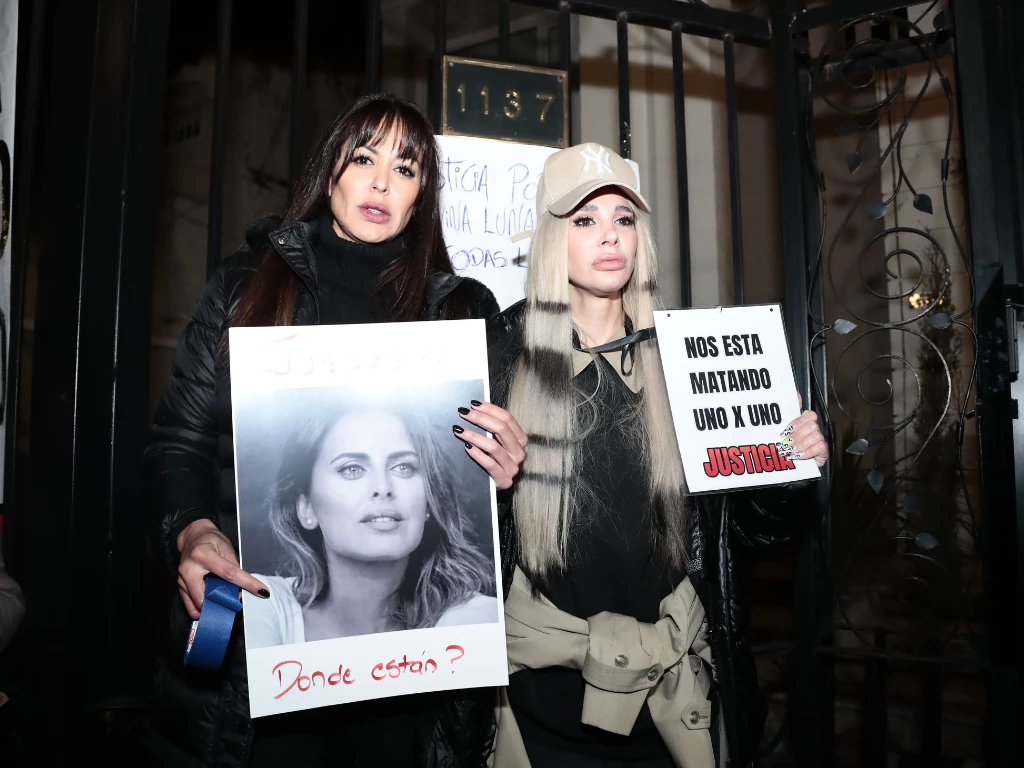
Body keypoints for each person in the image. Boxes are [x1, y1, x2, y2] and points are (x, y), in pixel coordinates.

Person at [143, 93, 526, 768]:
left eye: (406, 168)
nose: (382, 180)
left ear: (420, 196)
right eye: (364, 157)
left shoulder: (462, 313)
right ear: (331, 172)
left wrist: (501, 474)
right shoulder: (244, 287)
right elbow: (180, 440)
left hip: (410, 683)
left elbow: (481, 514)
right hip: (254, 662)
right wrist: (193, 528)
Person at [486, 143, 828, 768]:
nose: (608, 236)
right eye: (584, 220)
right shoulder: (498, 357)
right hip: (540, 709)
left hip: (668, 708)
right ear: (549, 241)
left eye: (623, 219)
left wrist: (784, 470)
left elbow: (749, 536)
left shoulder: (687, 359)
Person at [244, 402, 498, 650]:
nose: (383, 488)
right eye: (352, 469)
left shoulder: (475, 618)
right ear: (307, 508)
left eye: (403, 467)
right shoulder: (263, 601)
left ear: (430, 502)